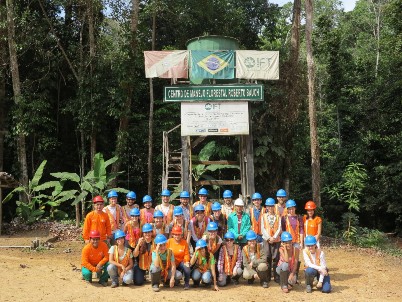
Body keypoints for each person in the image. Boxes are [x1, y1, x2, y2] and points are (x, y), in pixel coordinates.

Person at [282, 199, 304, 282]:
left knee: (296, 259)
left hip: (297, 241)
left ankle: (295, 274)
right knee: (289, 258)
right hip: (288, 242)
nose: (291, 210)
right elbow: (283, 231)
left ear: (295, 208)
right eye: (289, 209)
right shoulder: (284, 218)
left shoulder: (299, 218)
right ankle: (288, 274)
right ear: (287, 209)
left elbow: (301, 230)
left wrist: (301, 242)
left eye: (292, 208)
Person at [261, 197, 282, 283]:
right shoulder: (264, 216)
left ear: (274, 207)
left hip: (276, 240)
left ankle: (276, 276)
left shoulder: (278, 216)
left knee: (276, 258)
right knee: (267, 258)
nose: (270, 208)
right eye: (268, 206)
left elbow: (279, 228)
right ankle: (268, 276)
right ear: (266, 207)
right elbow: (262, 228)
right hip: (266, 240)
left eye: (271, 206)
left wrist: (274, 237)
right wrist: (269, 238)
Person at [167, 225, 191, 290]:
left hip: (180, 262)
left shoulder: (184, 242)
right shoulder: (169, 242)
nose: (177, 236)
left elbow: (186, 254)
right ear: (173, 235)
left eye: (178, 234)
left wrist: (186, 261)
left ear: (181, 235)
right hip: (171, 263)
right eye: (175, 234)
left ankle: (186, 283)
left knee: (187, 267)